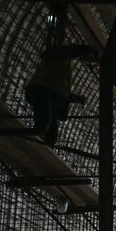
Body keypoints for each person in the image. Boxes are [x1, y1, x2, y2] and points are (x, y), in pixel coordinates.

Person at [23, 9, 84, 147]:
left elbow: (63, 91)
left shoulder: (64, 66)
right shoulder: (56, 54)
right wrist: (80, 51)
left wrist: (76, 99)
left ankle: (46, 141)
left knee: (50, 125)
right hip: (41, 90)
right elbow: (61, 54)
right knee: (45, 118)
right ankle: (39, 135)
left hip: (47, 93)